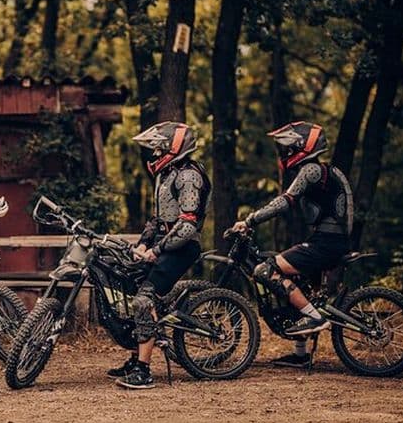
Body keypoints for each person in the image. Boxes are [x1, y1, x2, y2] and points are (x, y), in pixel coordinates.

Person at [232, 121, 353, 367]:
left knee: (265, 270)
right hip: (330, 240)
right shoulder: (325, 170)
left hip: (326, 243)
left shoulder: (311, 170)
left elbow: (285, 201)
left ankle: (314, 318)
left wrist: (250, 220)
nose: (286, 153)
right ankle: (300, 354)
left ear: (302, 147)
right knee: (296, 284)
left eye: (289, 148)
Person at [112, 121, 211, 389]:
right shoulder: (167, 174)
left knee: (144, 300)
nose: (155, 154)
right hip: (165, 244)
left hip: (182, 247)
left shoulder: (188, 176)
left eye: (159, 149)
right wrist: (144, 244)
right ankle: (136, 357)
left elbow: (187, 226)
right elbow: (157, 220)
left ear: (174, 148)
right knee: (132, 288)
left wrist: (157, 250)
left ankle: (144, 371)